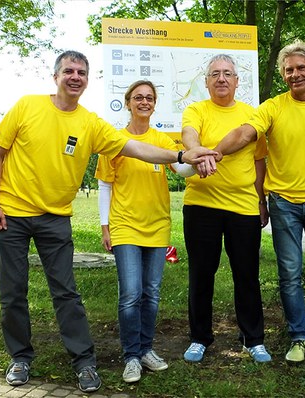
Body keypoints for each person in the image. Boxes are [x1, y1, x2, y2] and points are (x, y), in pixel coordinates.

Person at [0, 50, 215, 393]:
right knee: (12, 293)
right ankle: (20, 357)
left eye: (81, 72)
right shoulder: (27, 106)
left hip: (56, 219)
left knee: (67, 294)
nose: (75, 76)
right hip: (12, 216)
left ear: (87, 80)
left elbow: (136, 148)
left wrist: (181, 155)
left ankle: (84, 363)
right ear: (56, 77)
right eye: (69, 71)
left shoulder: (90, 124)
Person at [213, 40, 305, 364]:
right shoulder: (272, 107)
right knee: (289, 275)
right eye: (288, 70)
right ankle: (299, 339)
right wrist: (216, 152)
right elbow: (245, 133)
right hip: (283, 205)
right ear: (282, 74)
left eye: (301, 68)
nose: (295, 74)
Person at [95, 80, 195, 383]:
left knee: (151, 295)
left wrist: (203, 155)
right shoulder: (115, 141)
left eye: (149, 98)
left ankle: (146, 350)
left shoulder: (163, 141)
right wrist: (105, 226)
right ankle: (131, 357)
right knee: (131, 295)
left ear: (154, 104)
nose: (144, 102)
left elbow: (183, 169)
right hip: (125, 226)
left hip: (157, 225)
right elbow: (104, 185)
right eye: (138, 97)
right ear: (128, 103)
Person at [181, 54, 271, 363]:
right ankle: (200, 338)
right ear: (206, 82)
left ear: (237, 81)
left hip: (243, 207)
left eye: (227, 74)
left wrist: (262, 200)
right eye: (215, 74)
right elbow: (189, 135)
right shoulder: (195, 110)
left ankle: (253, 338)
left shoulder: (251, 114)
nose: (221, 78)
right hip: (201, 206)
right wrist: (197, 151)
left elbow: (259, 161)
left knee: (247, 275)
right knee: (201, 274)